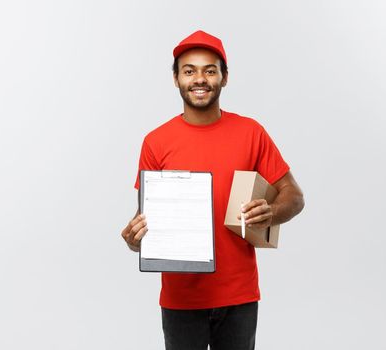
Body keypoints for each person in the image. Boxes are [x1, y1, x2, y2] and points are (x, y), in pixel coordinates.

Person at [120, 30, 305, 350]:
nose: (199, 79)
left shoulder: (251, 132)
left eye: (210, 70)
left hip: (239, 296)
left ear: (225, 77)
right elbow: (147, 216)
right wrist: (134, 240)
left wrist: (272, 211)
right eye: (189, 70)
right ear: (176, 79)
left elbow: (294, 195)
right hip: (181, 299)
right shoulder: (156, 141)